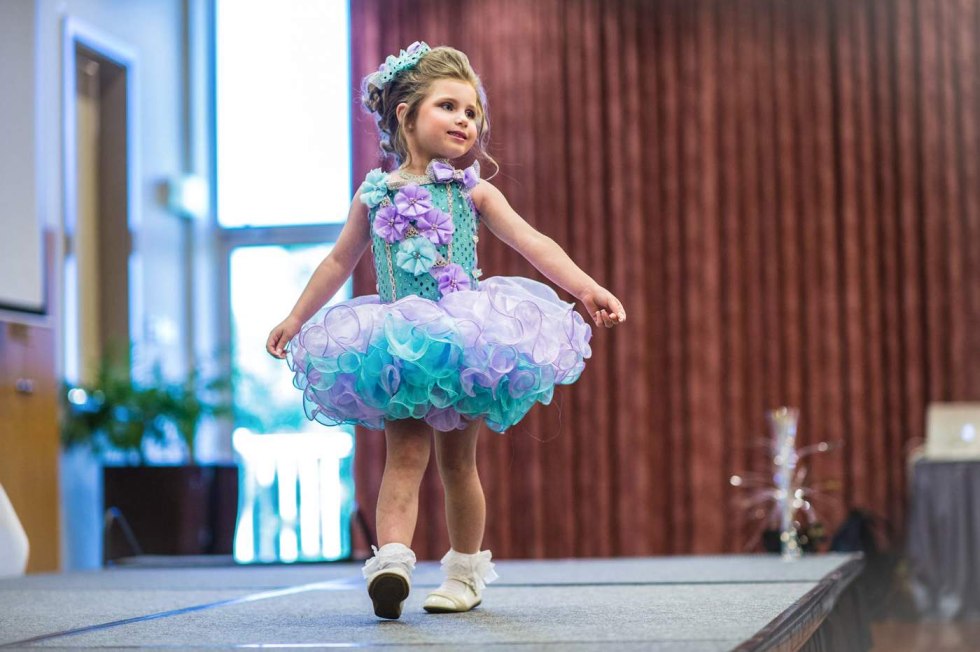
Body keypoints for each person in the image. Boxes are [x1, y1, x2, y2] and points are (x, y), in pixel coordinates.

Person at [266, 41, 625, 620]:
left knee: (459, 463)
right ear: (405, 113)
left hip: (464, 340)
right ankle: (392, 562)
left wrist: (586, 288)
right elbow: (337, 262)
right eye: (449, 106)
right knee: (402, 458)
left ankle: (464, 571)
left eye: (473, 112)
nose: (465, 120)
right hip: (396, 344)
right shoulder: (373, 194)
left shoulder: (472, 191)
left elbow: (532, 242)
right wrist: (296, 316)